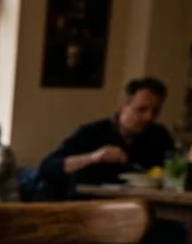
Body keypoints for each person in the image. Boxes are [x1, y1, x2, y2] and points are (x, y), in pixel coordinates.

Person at [38, 77, 175, 198]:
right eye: (141, 110)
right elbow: (48, 167)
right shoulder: (92, 133)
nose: (149, 117)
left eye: (155, 111)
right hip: (89, 206)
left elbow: (179, 170)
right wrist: (94, 157)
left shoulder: (158, 135)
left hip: (143, 207)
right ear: (122, 107)